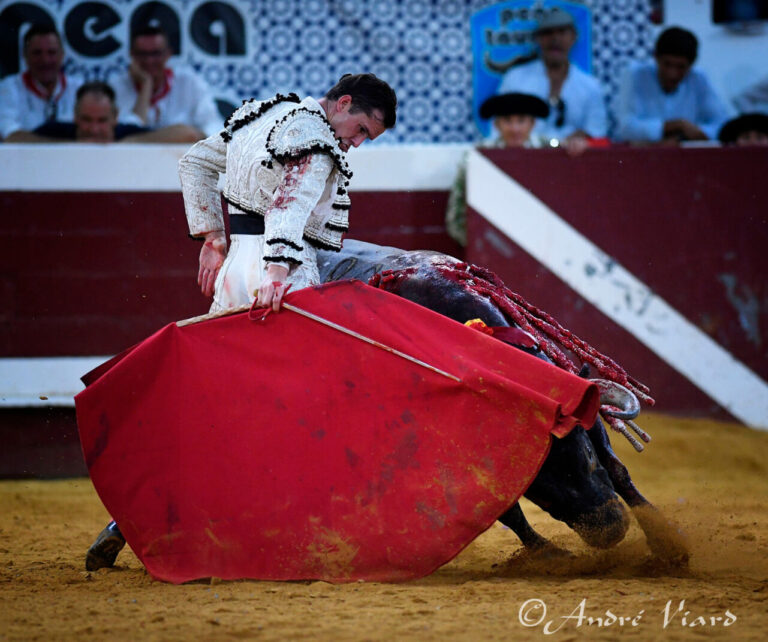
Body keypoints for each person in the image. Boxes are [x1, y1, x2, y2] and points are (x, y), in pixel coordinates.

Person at [84, 72, 398, 572]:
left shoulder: (264, 115)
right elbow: (289, 205)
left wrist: (212, 236)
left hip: (235, 270)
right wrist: (277, 274)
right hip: (284, 276)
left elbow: (195, 162)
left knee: (216, 404)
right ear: (342, 104)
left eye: (366, 139)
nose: (356, 143)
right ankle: (296, 534)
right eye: (361, 129)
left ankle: (127, 522)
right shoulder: (317, 142)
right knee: (306, 409)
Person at [446, 92, 549, 246]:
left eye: (521, 121)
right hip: (494, 243)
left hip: (541, 242)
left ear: (532, 124)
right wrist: (479, 245)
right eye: (507, 121)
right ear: (497, 125)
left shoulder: (549, 151)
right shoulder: (479, 155)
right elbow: (456, 213)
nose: (515, 129)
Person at [497, 8, 607, 151]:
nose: (555, 39)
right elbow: (498, 126)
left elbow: (597, 132)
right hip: (525, 155)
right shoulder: (516, 78)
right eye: (548, 33)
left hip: (573, 158)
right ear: (538, 39)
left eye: (562, 32)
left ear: (573, 37)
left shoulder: (590, 86)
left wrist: (575, 140)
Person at [614, 27, 733, 144]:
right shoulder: (635, 75)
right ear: (656, 57)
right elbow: (625, 128)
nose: (673, 74)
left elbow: (722, 124)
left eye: (680, 67)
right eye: (667, 64)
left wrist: (691, 134)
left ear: (692, 64)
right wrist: (678, 125)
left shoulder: (698, 79)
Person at [108, 26, 220, 139]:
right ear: (132, 55)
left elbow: (212, 124)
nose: (149, 60)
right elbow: (124, 133)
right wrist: (146, 85)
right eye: (142, 54)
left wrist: (194, 136)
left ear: (168, 54)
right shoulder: (116, 88)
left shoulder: (189, 83)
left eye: (156, 53)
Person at [29, 81, 204, 143]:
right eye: (87, 120)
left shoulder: (126, 133)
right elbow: (16, 138)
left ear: (115, 117)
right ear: (75, 116)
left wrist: (126, 145)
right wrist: (69, 147)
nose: (94, 129)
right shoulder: (60, 131)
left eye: (102, 120)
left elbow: (189, 134)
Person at [0, 24, 82, 142]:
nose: (45, 60)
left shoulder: (79, 89)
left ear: (62, 55)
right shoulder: (7, 89)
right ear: (25, 56)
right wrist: (66, 146)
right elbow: (8, 135)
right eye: (37, 53)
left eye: (51, 52)